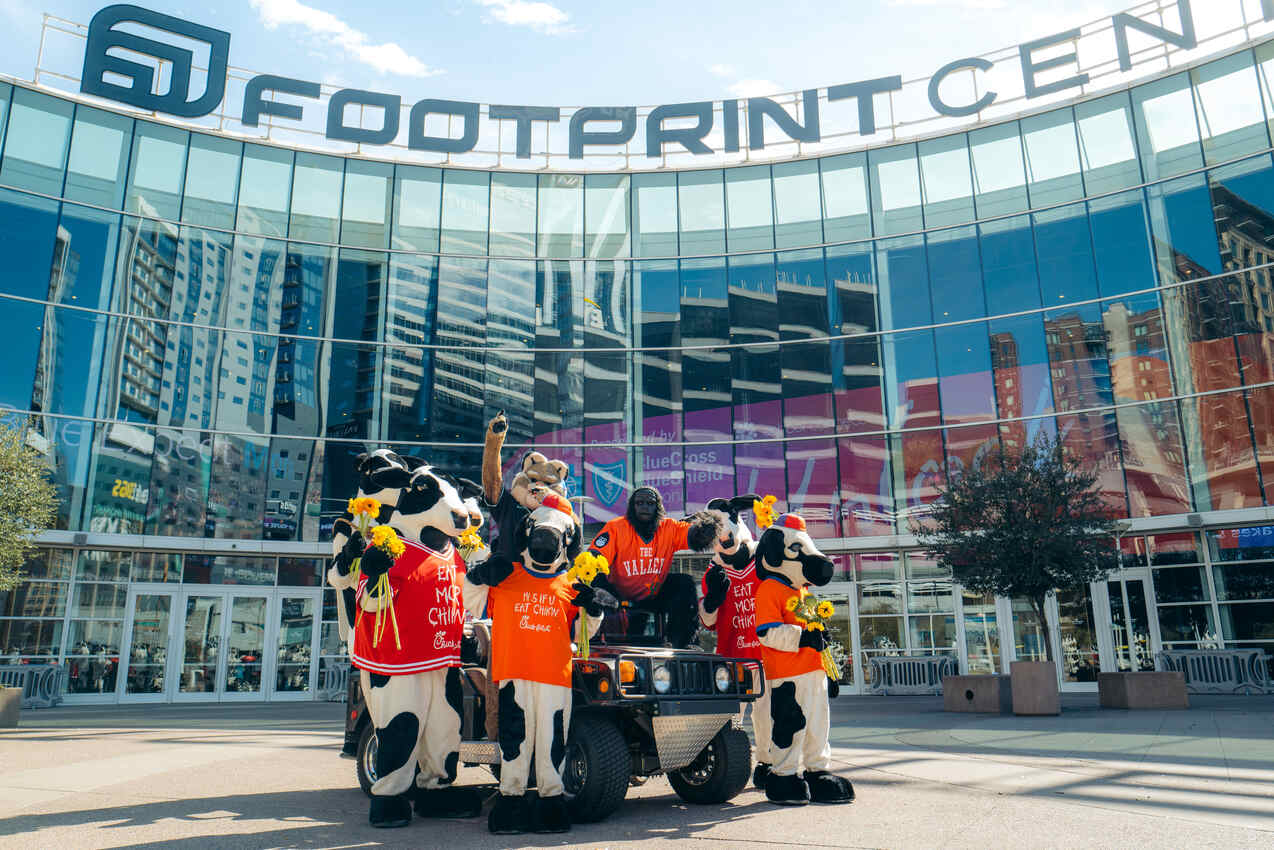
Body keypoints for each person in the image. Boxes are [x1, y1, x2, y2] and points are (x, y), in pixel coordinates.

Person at [587, 487, 720, 647]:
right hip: (618, 597)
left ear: (658, 508)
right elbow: (593, 559)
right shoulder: (616, 528)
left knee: (684, 583)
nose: (644, 507)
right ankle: (597, 641)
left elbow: (694, 535)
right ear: (632, 507)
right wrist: (601, 590)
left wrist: (707, 528)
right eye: (639, 503)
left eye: (650, 503)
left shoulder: (669, 528)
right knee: (598, 585)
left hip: (653, 595)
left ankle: (681, 643)